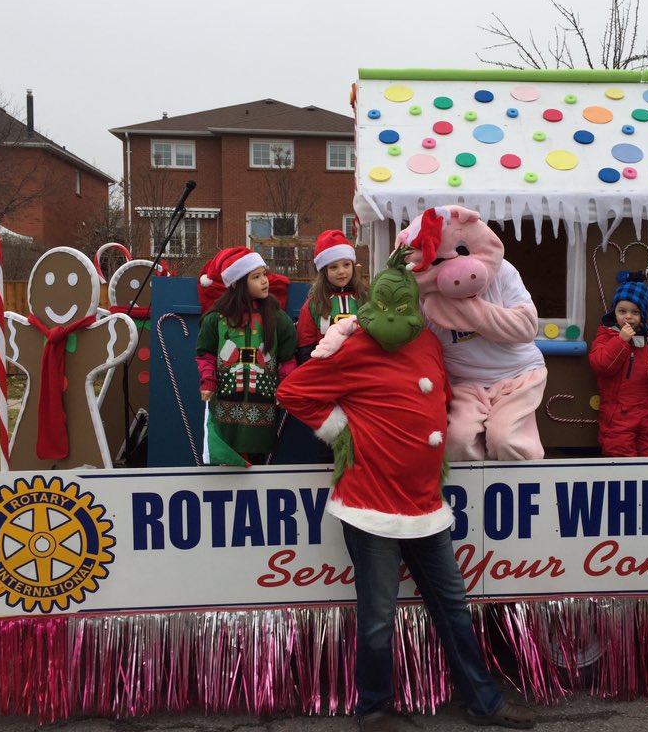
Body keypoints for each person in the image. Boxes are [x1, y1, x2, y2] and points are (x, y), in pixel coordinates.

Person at [277, 248, 535, 732]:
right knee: (378, 614)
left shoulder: (427, 344)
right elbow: (293, 392)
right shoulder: (351, 347)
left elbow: (438, 395)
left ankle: (483, 703)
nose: (398, 316)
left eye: (406, 307)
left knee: (453, 606)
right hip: (371, 503)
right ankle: (374, 707)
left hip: (425, 503)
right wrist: (341, 432)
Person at [195, 246, 296, 467]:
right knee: (227, 462)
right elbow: (206, 354)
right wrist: (208, 381)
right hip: (226, 405)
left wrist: (285, 388)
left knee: (259, 464)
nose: (265, 281)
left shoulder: (278, 319)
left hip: (264, 409)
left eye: (264, 275)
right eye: (256, 277)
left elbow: (288, 359)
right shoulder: (216, 319)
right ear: (239, 283)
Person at [588, 273, 648, 456]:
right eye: (622, 311)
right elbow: (602, 365)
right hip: (618, 414)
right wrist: (621, 341)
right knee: (620, 458)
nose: (628, 317)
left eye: (635, 312)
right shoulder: (606, 335)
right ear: (614, 312)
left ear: (642, 314)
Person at [296, 229, 368, 365]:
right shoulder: (313, 304)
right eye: (334, 267)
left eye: (346, 265)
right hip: (325, 371)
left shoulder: (365, 299)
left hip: (361, 368)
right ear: (324, 271)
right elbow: (305, 346)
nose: (341, 271)